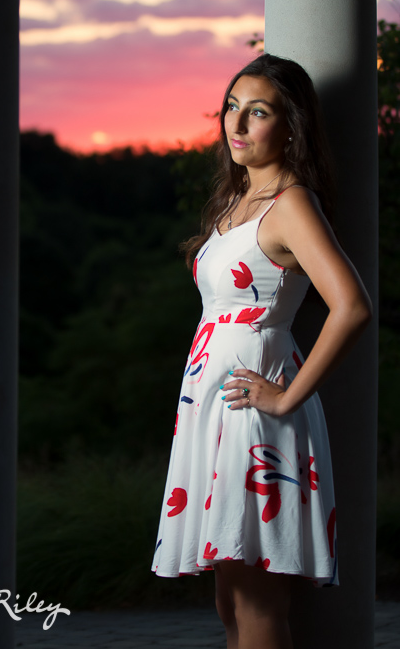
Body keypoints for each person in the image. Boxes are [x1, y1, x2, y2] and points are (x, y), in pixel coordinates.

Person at [151, 54, 372, 649]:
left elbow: (351, 306)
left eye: (258, 112)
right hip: (213, 408)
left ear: (291, 126)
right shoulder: (234, 202)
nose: (237, 124)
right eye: (231, 107)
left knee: (257, 604)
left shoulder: (291, 203)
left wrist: (286, 399)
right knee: (232, 602)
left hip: (255, 415)